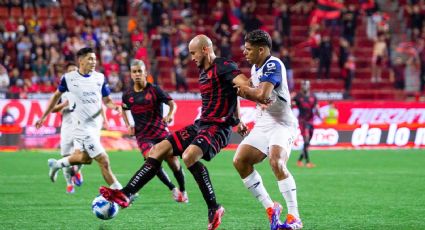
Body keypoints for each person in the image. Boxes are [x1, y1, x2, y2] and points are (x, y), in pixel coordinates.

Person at [99, 34, 251, 230]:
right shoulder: (203, 72)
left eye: (193, 53)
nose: (192, 57)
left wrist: (243, 113)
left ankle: (214, 207)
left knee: (189, 156)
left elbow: (241, 84)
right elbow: (232, 92)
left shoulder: (223, 65)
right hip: (201, 125)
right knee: (156, 151)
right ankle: (126, 193)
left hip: (218, 128)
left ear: (205, 49)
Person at [234, 29, 303, 230]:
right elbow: (246, 92)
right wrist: (239, 118)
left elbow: (263, 95)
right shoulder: (256, 69)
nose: (244, 52)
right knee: (240, 161)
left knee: (276, 161)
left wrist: (245, 91)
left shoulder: (273, 64)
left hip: (283, 123)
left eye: (248, 49)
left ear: (261, 49)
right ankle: (271, 208)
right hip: (264, 122)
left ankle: (294, 216)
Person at [35, 47, 123, 190]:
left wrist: (116, 107)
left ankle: (56, 165)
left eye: (94, 59)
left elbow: (106, 101)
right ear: (81, 60)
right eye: (90, 58)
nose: (93, 61)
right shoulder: (69, 78)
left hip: (95, 126)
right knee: (103, 159)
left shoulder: (99, 77)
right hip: (81, 126)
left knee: (84, 159)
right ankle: (121, 192)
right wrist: (44, 116)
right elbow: (55, 97)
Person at [121, 59, 188, 203]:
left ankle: (182, 189)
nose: (137, 74)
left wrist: (170, 115)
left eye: (140, 71)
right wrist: (128, 124)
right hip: (143, 136)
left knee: (174, 163)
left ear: (145, 73)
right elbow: (124, 108)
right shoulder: (127, 95)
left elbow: (172, 104)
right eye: (134, 72)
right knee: (152, 162)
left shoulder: (155, 90)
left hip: (161, 133)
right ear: (131, 75)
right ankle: (172, 188)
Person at [293, 80, 320, 168]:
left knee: (307, 142)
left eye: (306, 85)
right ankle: (308, 162)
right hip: (302, 121)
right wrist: (291, 101)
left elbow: (316, 107)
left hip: (310, 121)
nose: (305, 86)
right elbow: (291, 106)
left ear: (309, 86)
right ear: (301, 86)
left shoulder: (313, 96)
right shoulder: (298, 96)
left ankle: (299, 160)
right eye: (303, 85)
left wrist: (319, 114)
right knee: (306, 140)